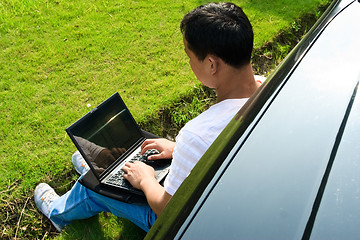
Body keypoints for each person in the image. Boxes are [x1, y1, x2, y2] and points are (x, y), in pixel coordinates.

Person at [34, 2, 263, 232]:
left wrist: (146, 180)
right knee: (130, 163)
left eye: (189, 56)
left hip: (195, 225)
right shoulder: (270, 88)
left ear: (212, 64)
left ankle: (58, 211)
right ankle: (101, 166)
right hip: (237, 203)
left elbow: (169, 211)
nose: (190, 63)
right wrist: (181, 149)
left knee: (94, 187)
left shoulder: (198, 134)